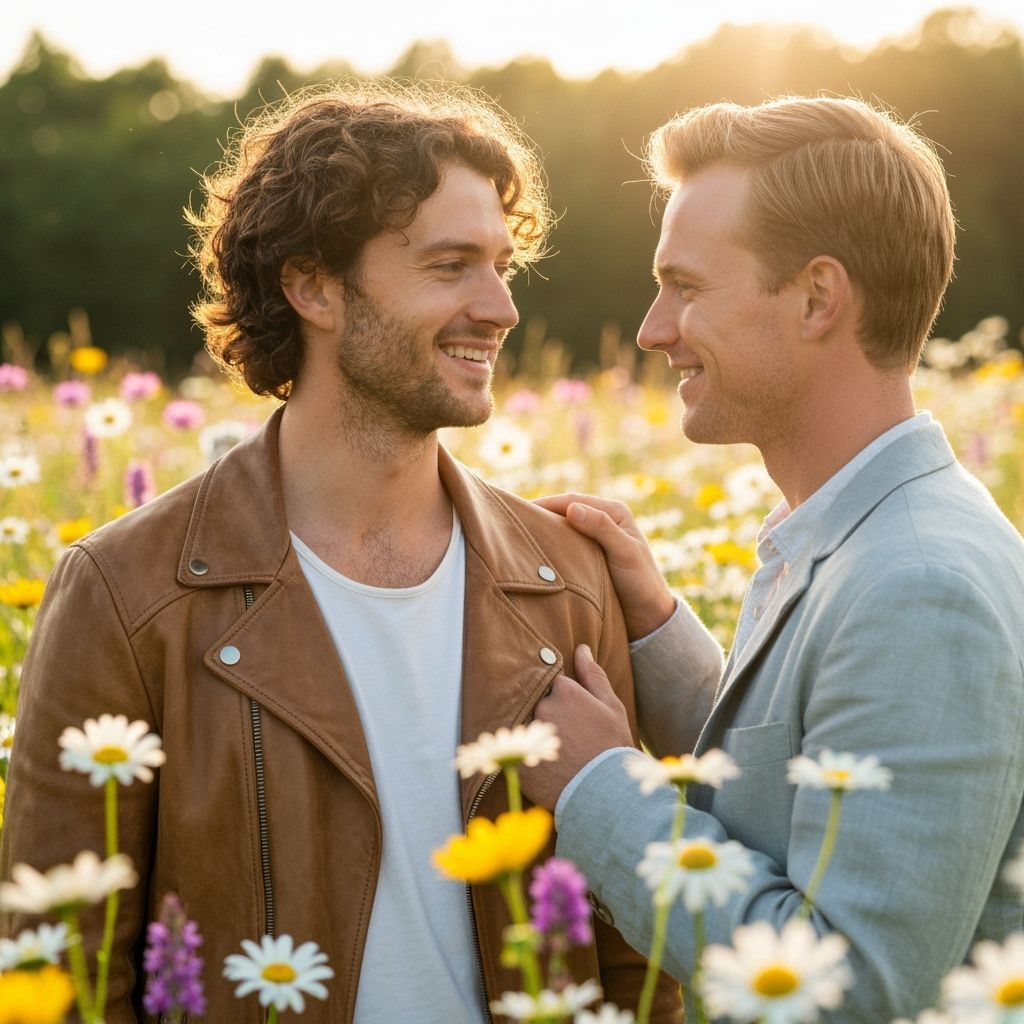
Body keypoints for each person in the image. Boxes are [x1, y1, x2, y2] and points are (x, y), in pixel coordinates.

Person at [0, 82, 682, 1024]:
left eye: (503, 264)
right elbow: (61, 971)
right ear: (312, 283)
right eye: (451, 265)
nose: (500, 308)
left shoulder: (569, 576)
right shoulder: (125, 594)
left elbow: (634, 955)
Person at [522, 96, 1024, 1020]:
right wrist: (660, 633)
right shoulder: (854, 536)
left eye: (687, 285)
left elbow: (852, 990)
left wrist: (601, 792)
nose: (651, 328)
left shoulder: (920, 586)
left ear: (817, 298)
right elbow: (801, 792)